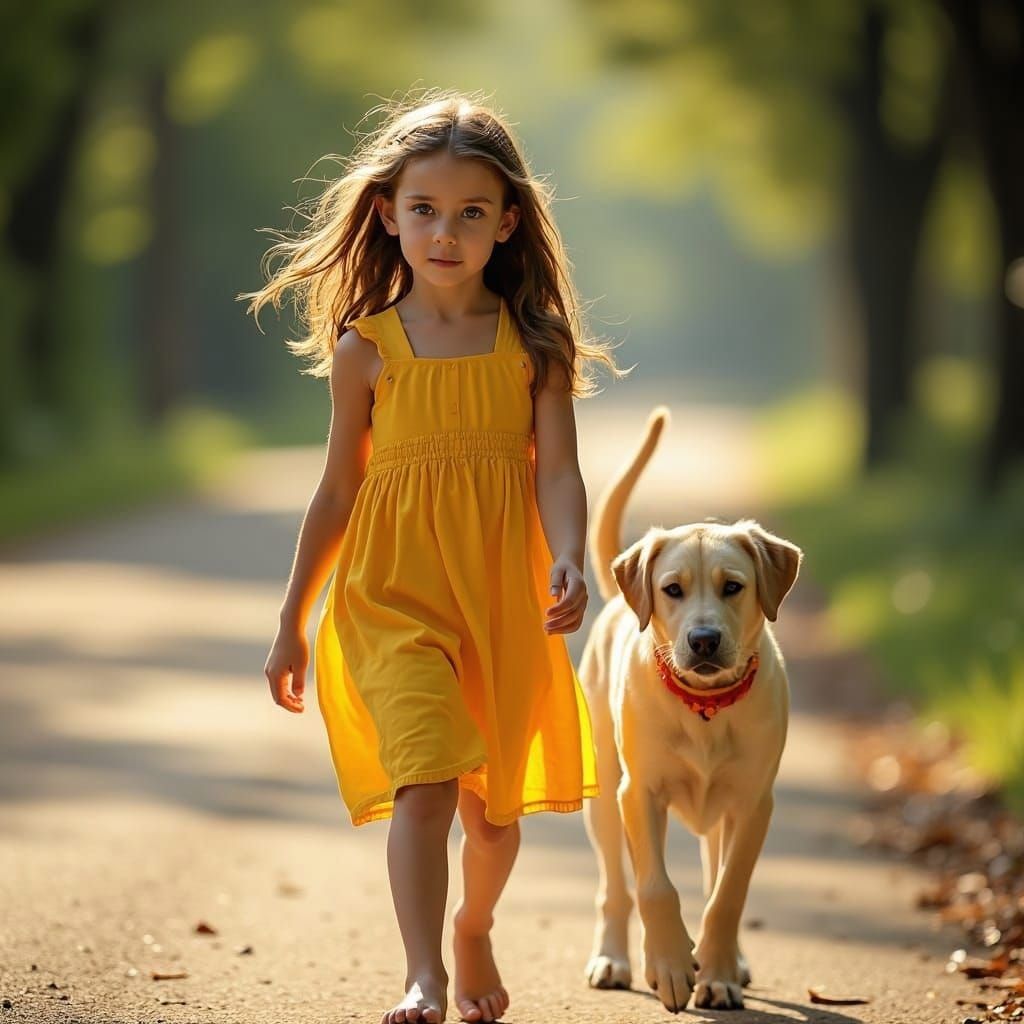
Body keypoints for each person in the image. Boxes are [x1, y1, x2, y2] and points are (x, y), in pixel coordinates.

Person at [243, 88, 628, 1024]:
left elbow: (562, 474)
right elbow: (336, 491)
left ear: (506, 224)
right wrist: (291, 622)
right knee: (424, 780)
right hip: (392, 594)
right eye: (424, 210)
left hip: (498, 595)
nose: (444, 232)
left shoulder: (533, 345)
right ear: (388, 214)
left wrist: (570, 557)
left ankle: (473, 925)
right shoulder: (365, 351)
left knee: (491, 816)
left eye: (469, 213)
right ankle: (423, 971)